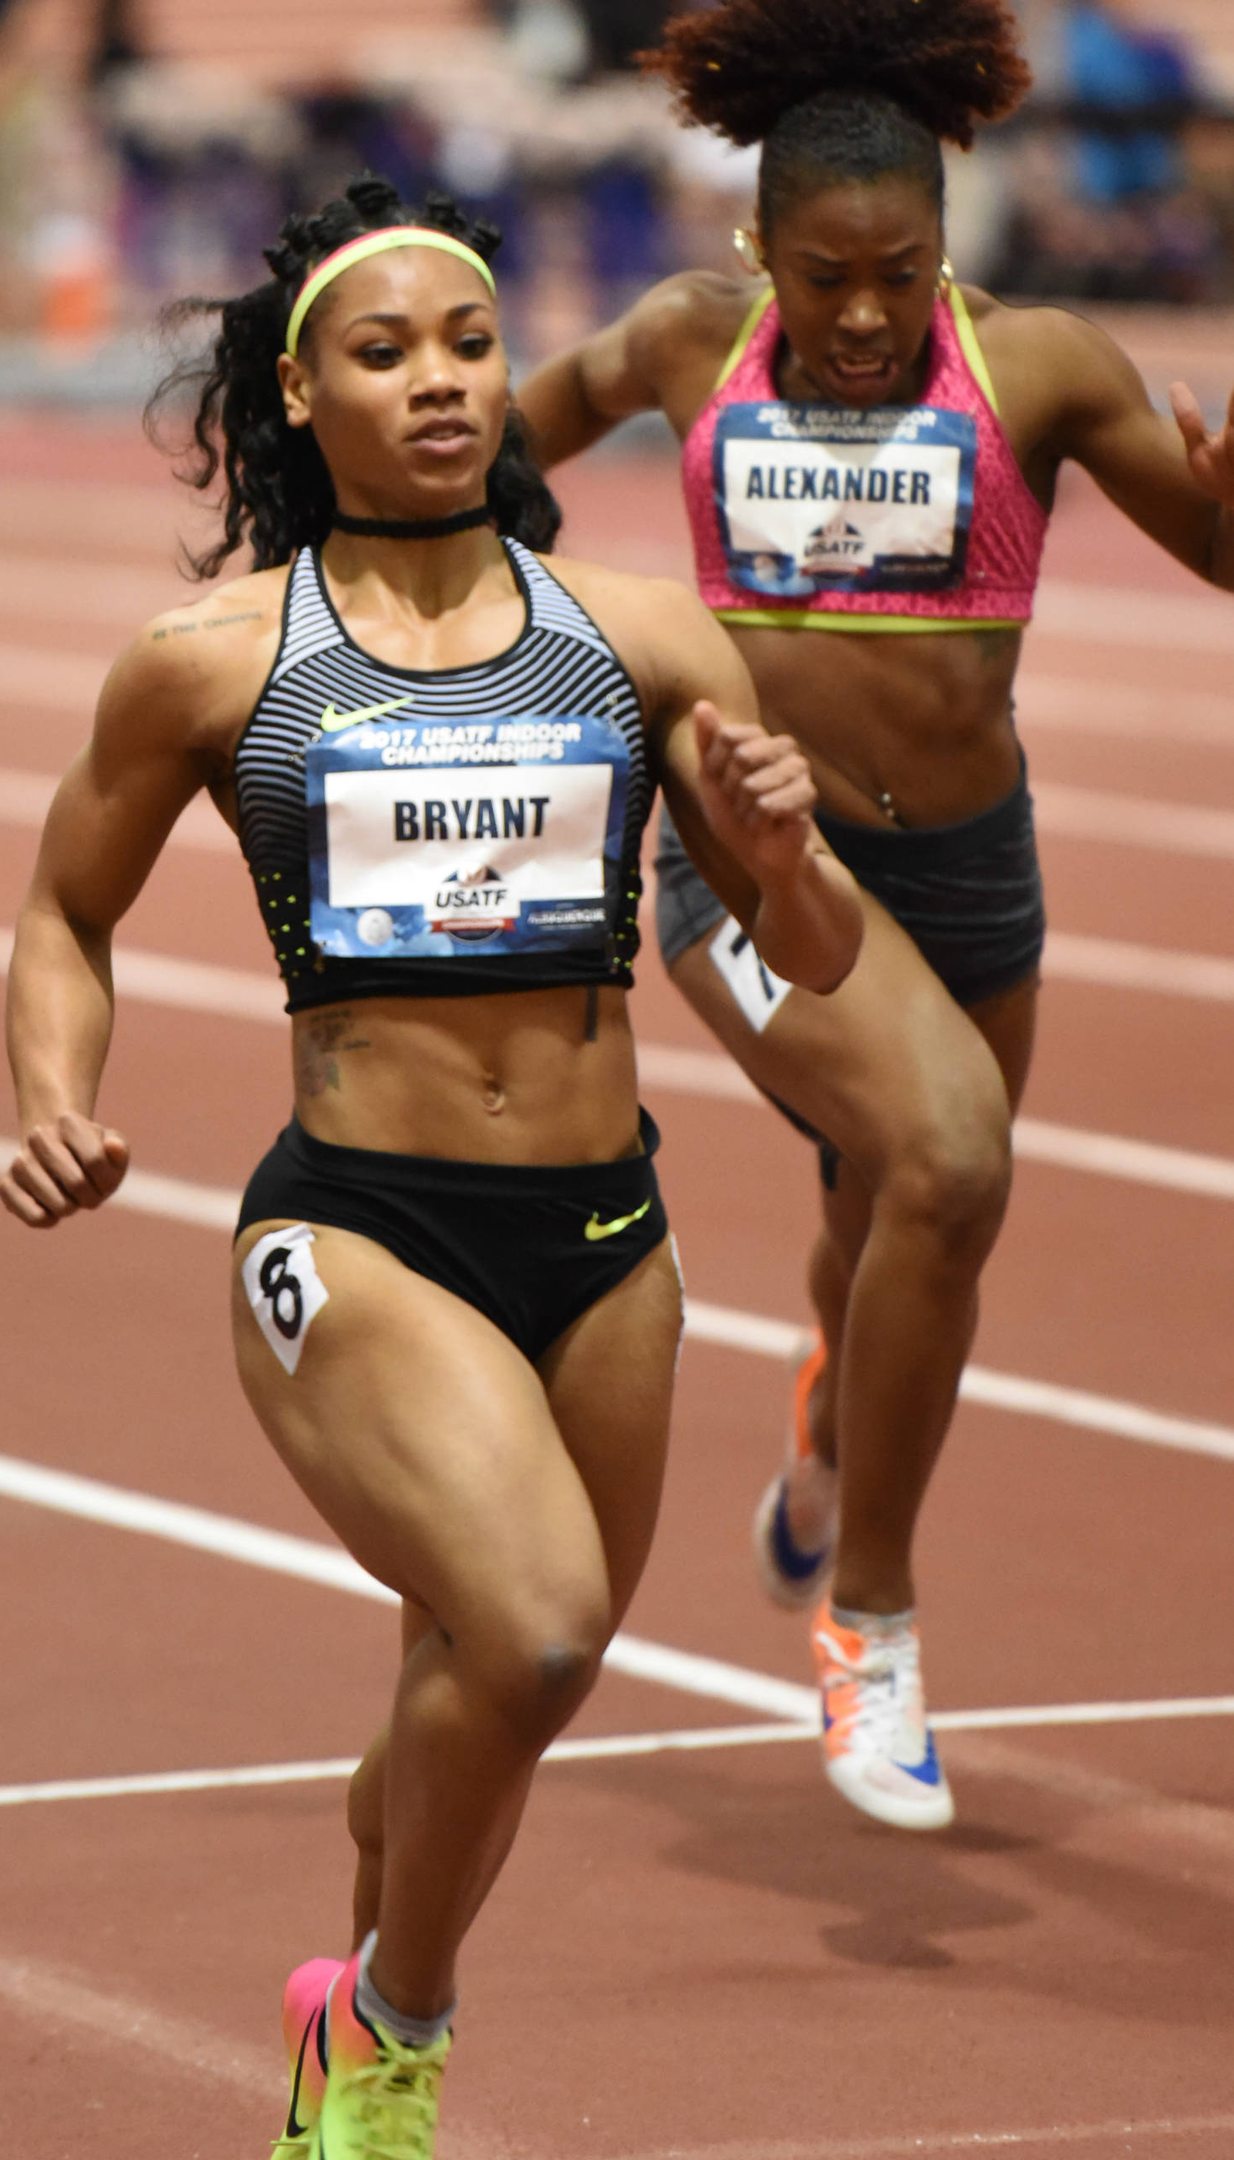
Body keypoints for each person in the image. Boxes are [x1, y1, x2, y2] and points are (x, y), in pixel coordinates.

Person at [0, 176, 861, 2160]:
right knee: (542, 1626)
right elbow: (66, 910)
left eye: (467, 344)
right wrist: (54, 1091)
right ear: (300, 396)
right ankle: (386, 2044)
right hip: (357, 1229)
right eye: (383, 355)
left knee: (485, 1695)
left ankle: (357, 1946)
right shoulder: (213, 664)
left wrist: (790, 841)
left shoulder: (643, 641)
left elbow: (800, 965)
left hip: (603, 1236)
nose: (442, 384)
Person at [517, 0, 1234, 1833]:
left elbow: (1217, 552)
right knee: (946, 1161)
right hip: (750, 864)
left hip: (971, 868)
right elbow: (518, 439)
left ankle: (831, 1412)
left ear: (947, 243)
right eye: (823, 275)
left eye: (895, 276)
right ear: (761, 249)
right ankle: (872, 1625)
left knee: (902, 1217)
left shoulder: (1040, 370)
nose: (855, 317)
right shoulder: (694, 339)